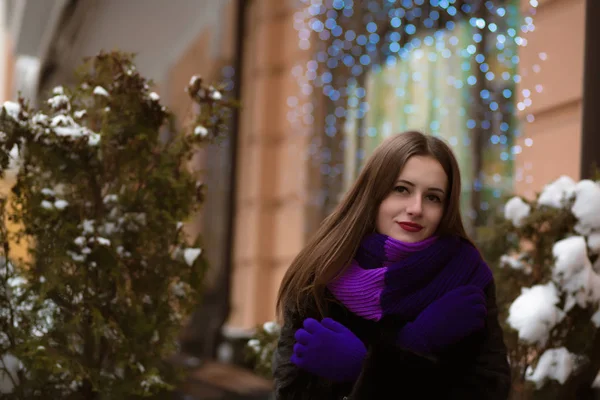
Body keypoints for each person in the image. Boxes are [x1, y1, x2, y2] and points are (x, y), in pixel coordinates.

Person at [272, 131, 511, 399]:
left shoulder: (467, 277)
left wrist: (368, 371)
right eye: (402, 190)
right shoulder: (322, 274)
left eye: (433, 197)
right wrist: (408, 348)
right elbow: (290, 391)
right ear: (375, 194)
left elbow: (492, 392)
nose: (416, 208)